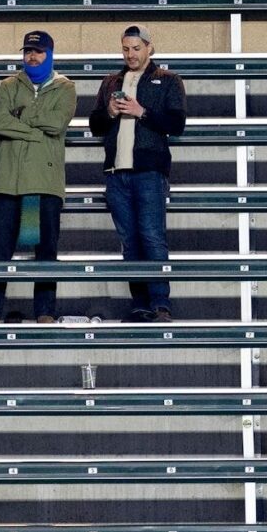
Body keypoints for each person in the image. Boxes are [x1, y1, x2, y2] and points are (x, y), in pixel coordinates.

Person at [89, 25, 187, 322]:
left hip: (148, 171)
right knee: (130, 241)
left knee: (152, 237)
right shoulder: (110, 82)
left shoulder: (168, 80)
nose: (130, 54)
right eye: (126, 49)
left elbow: (177, 123)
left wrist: (141, 111)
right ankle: (141, 304)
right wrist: (109, 112)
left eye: (135, 48)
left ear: (149, 48)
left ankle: (160, 304)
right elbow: (94, 125)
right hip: (116, 171)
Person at [0, 30, 76, 324]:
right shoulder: (9, 85)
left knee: (44, 249)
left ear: (50, 54)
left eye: (38, 52)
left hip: (41, 184)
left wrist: (21, 118)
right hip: (8, 182)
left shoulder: (65, 87)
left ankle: (45, 311)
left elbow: (57, 122)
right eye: (28, 52)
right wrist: (35, 129)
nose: (32, 57)